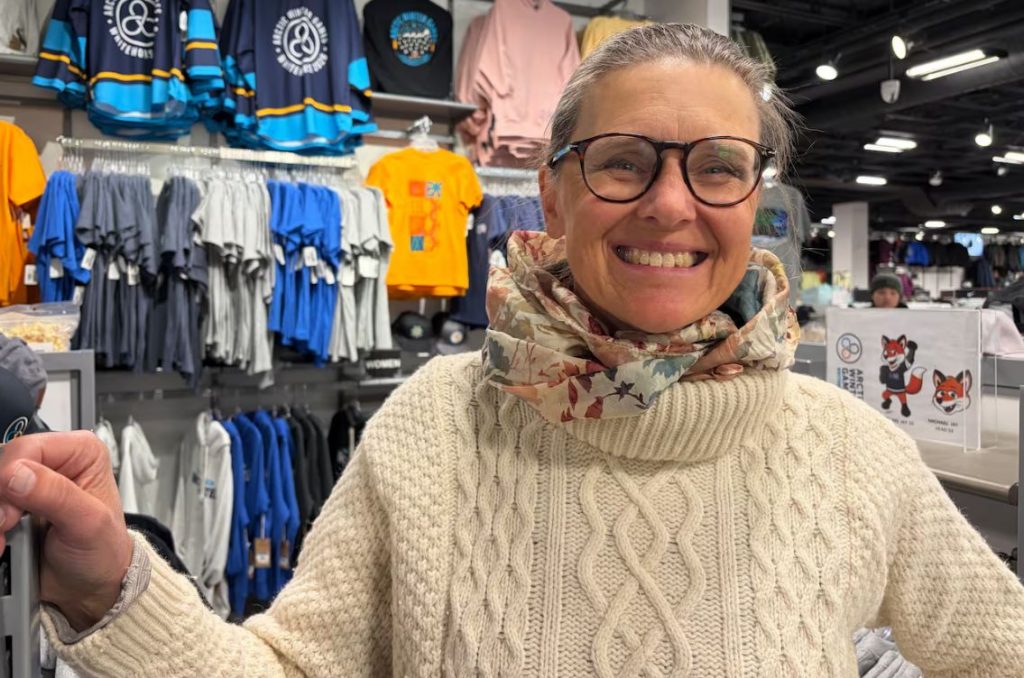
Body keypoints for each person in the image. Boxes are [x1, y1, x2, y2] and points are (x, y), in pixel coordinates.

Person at [1, 23, 1023, 677]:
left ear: (755, 198)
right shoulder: (435, 426)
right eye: (623, 161)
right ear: (554, 194)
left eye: (718, 166)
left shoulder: (852, 453)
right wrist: (106, 586)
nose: (672, 204)